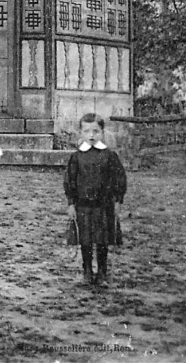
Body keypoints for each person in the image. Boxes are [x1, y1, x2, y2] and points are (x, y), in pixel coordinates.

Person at [63, 113, 127, 287]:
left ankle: (102, 273)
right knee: (85, 240)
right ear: (81, 133)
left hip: (103, 206)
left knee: (102, 240)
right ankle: (87, 271)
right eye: (87, 131)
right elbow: (70, 181)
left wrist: (118, 200)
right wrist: (71, 203)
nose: (91, 135)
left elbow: (119, 178)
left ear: (102, 132)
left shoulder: (109, 156)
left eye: (96, 131)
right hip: (83, 205)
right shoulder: (76, 157)